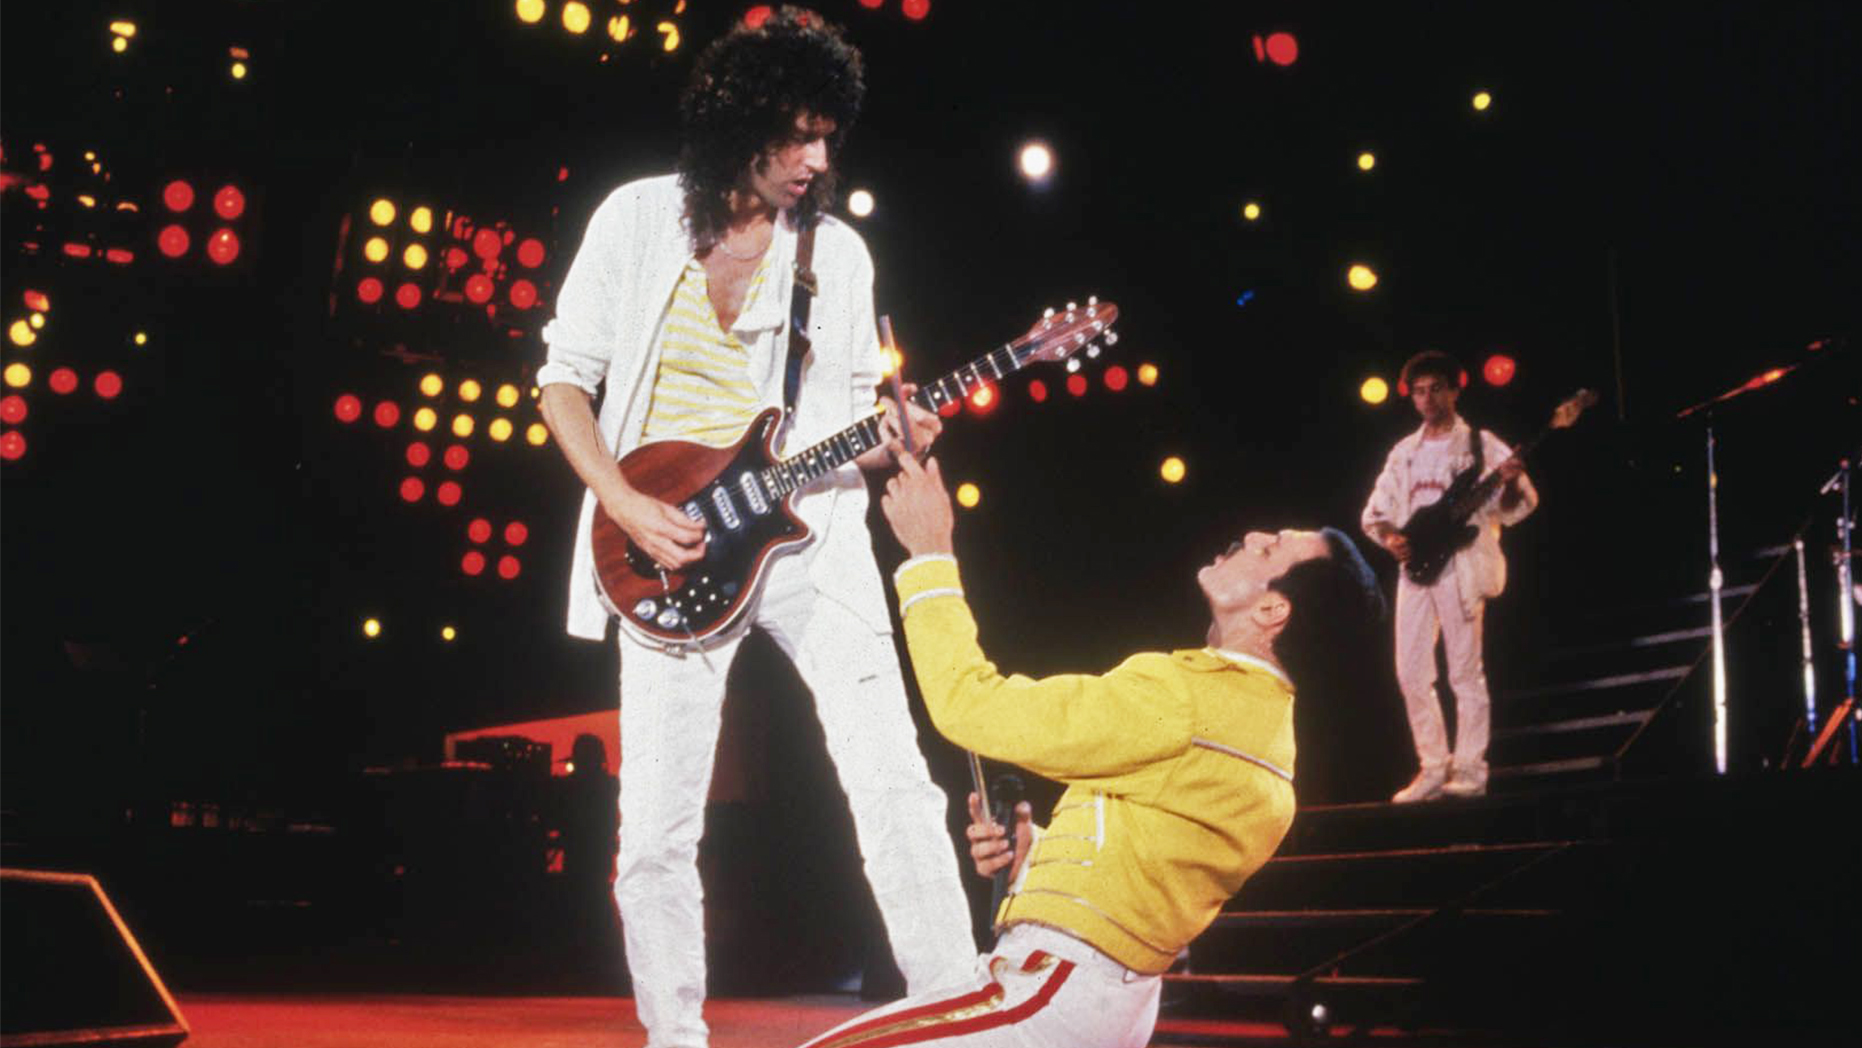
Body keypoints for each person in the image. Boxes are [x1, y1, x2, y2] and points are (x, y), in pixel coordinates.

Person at [535, 9, 974, 1045]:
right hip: (664, 541)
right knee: (653, 831)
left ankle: (956, 1013)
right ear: (737, 124)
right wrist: (624, 501)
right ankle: (674, 1036)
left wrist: (898, 435)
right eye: (798, 136)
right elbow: (562, 381)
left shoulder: (838, 252)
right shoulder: (638, 219)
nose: (817, 159)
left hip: (807, 536)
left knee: (892, 779)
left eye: (829, 136)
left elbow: (845, 433)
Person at [792, 453, 1385, 1048]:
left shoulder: (1189, 699)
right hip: (1110, 1004)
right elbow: (1144, 872)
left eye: (1270, 549)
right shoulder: (1268, 743)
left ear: (1271, 610)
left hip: (1053, 993)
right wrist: (1033, 857)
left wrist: (929, 554)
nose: (1253, 535)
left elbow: (969, 704)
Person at [1361, 350, 1538, 803]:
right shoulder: (1404, 452)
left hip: (1459, 566)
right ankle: (1434, 766)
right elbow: (1377, 511)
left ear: (1454, 390)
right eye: (1419, 391)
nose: (1427, 398)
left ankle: (1471, 769)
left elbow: (1519, 503)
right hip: (1416, 566)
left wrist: (1513, 480)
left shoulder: (1480, 444)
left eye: (1435, 388)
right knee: (1411, 671)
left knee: (1464, 671)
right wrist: (1390, 538)